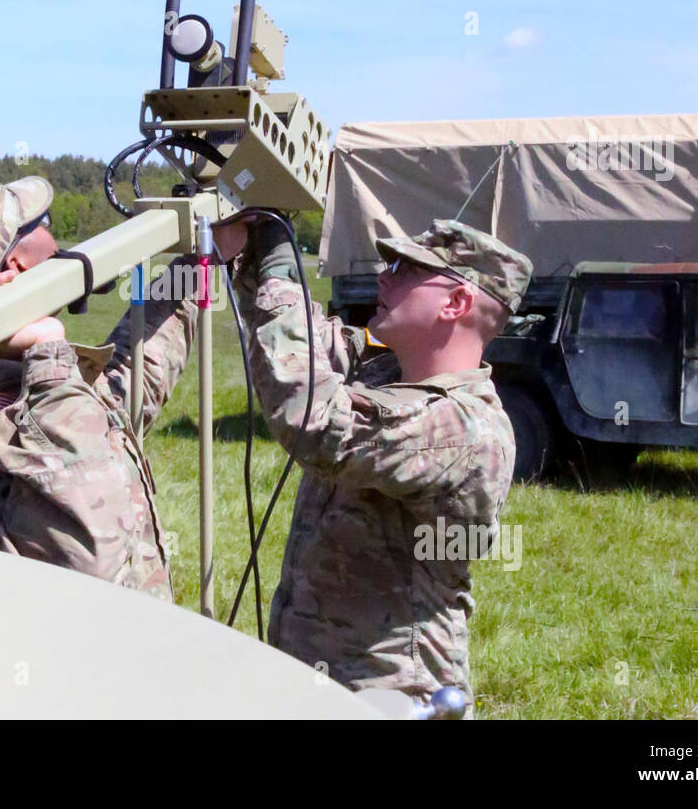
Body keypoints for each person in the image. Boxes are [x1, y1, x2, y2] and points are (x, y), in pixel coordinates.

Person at [214, 215, 532, 715]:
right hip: (318, 675)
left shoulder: (465, 428)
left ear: (457, 303)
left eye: (407, 270)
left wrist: (280, 273)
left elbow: (315, 424)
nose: (384, 277)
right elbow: (304, 342)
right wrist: (259, 249)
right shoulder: (386, 371)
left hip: (387, 694)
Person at [0, 169, 198, 600]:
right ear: (15, 267)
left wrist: (195, 269)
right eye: (40, 226)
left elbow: (122, 397)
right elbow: (88, 556)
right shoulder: (16, 403)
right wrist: (49, 352)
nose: (56, 240)